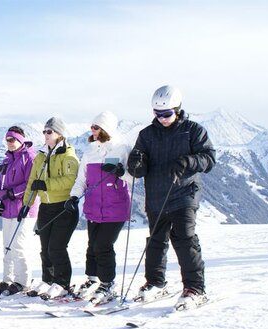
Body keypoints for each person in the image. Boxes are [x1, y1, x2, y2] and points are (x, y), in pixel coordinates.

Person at [127, 85, 216, 310]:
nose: (163, 119)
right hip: (156, 196)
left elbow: (209, 159)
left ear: (177, 109)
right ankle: (156, 283)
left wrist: (189, 161)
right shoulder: (146, 134)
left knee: (185, 239)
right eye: (158, 114)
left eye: (167, 114)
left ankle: (195, 288)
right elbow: (138, 165)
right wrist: (136, 163)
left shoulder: (193, 131)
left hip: (185, 193)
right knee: (156, 240)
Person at [66, 111, 131, 304]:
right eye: (92, 127)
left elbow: (134, 177)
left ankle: (108, 284)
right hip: (94, 207)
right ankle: (92, 279)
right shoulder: (89, 152)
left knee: (103, 245)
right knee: (92, 245)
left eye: (96, 127)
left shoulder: (121, 149)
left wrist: (121, 172)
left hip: (116, 207)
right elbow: (82, 179)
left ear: (106, 129)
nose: (92, 131)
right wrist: (74, 196)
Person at [18, 117, 79, 299]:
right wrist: (26, 204)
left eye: (49, 131)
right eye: (44, 131)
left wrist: (46, 184)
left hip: (64, 206)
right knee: (45, 248)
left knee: (57, 247)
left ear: (59, 134)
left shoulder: (68, 155)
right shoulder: (41, 156)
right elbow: (32, 182)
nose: (45, 135)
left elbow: (71, 180)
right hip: (46, 206)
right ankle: (48, 279)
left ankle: (62, 283)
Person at [0, 126, 39, 295]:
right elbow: (1, 184)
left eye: (12, 139)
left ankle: (23, 281)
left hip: (24, 209)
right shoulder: (7, 160)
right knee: (7, 247)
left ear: (20, 140)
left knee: (19, 246)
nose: (9, 143)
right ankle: (8, 280)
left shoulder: (29, 158)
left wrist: (13, 193)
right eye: (7, 140)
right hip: (8, 210)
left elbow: (30, 184)